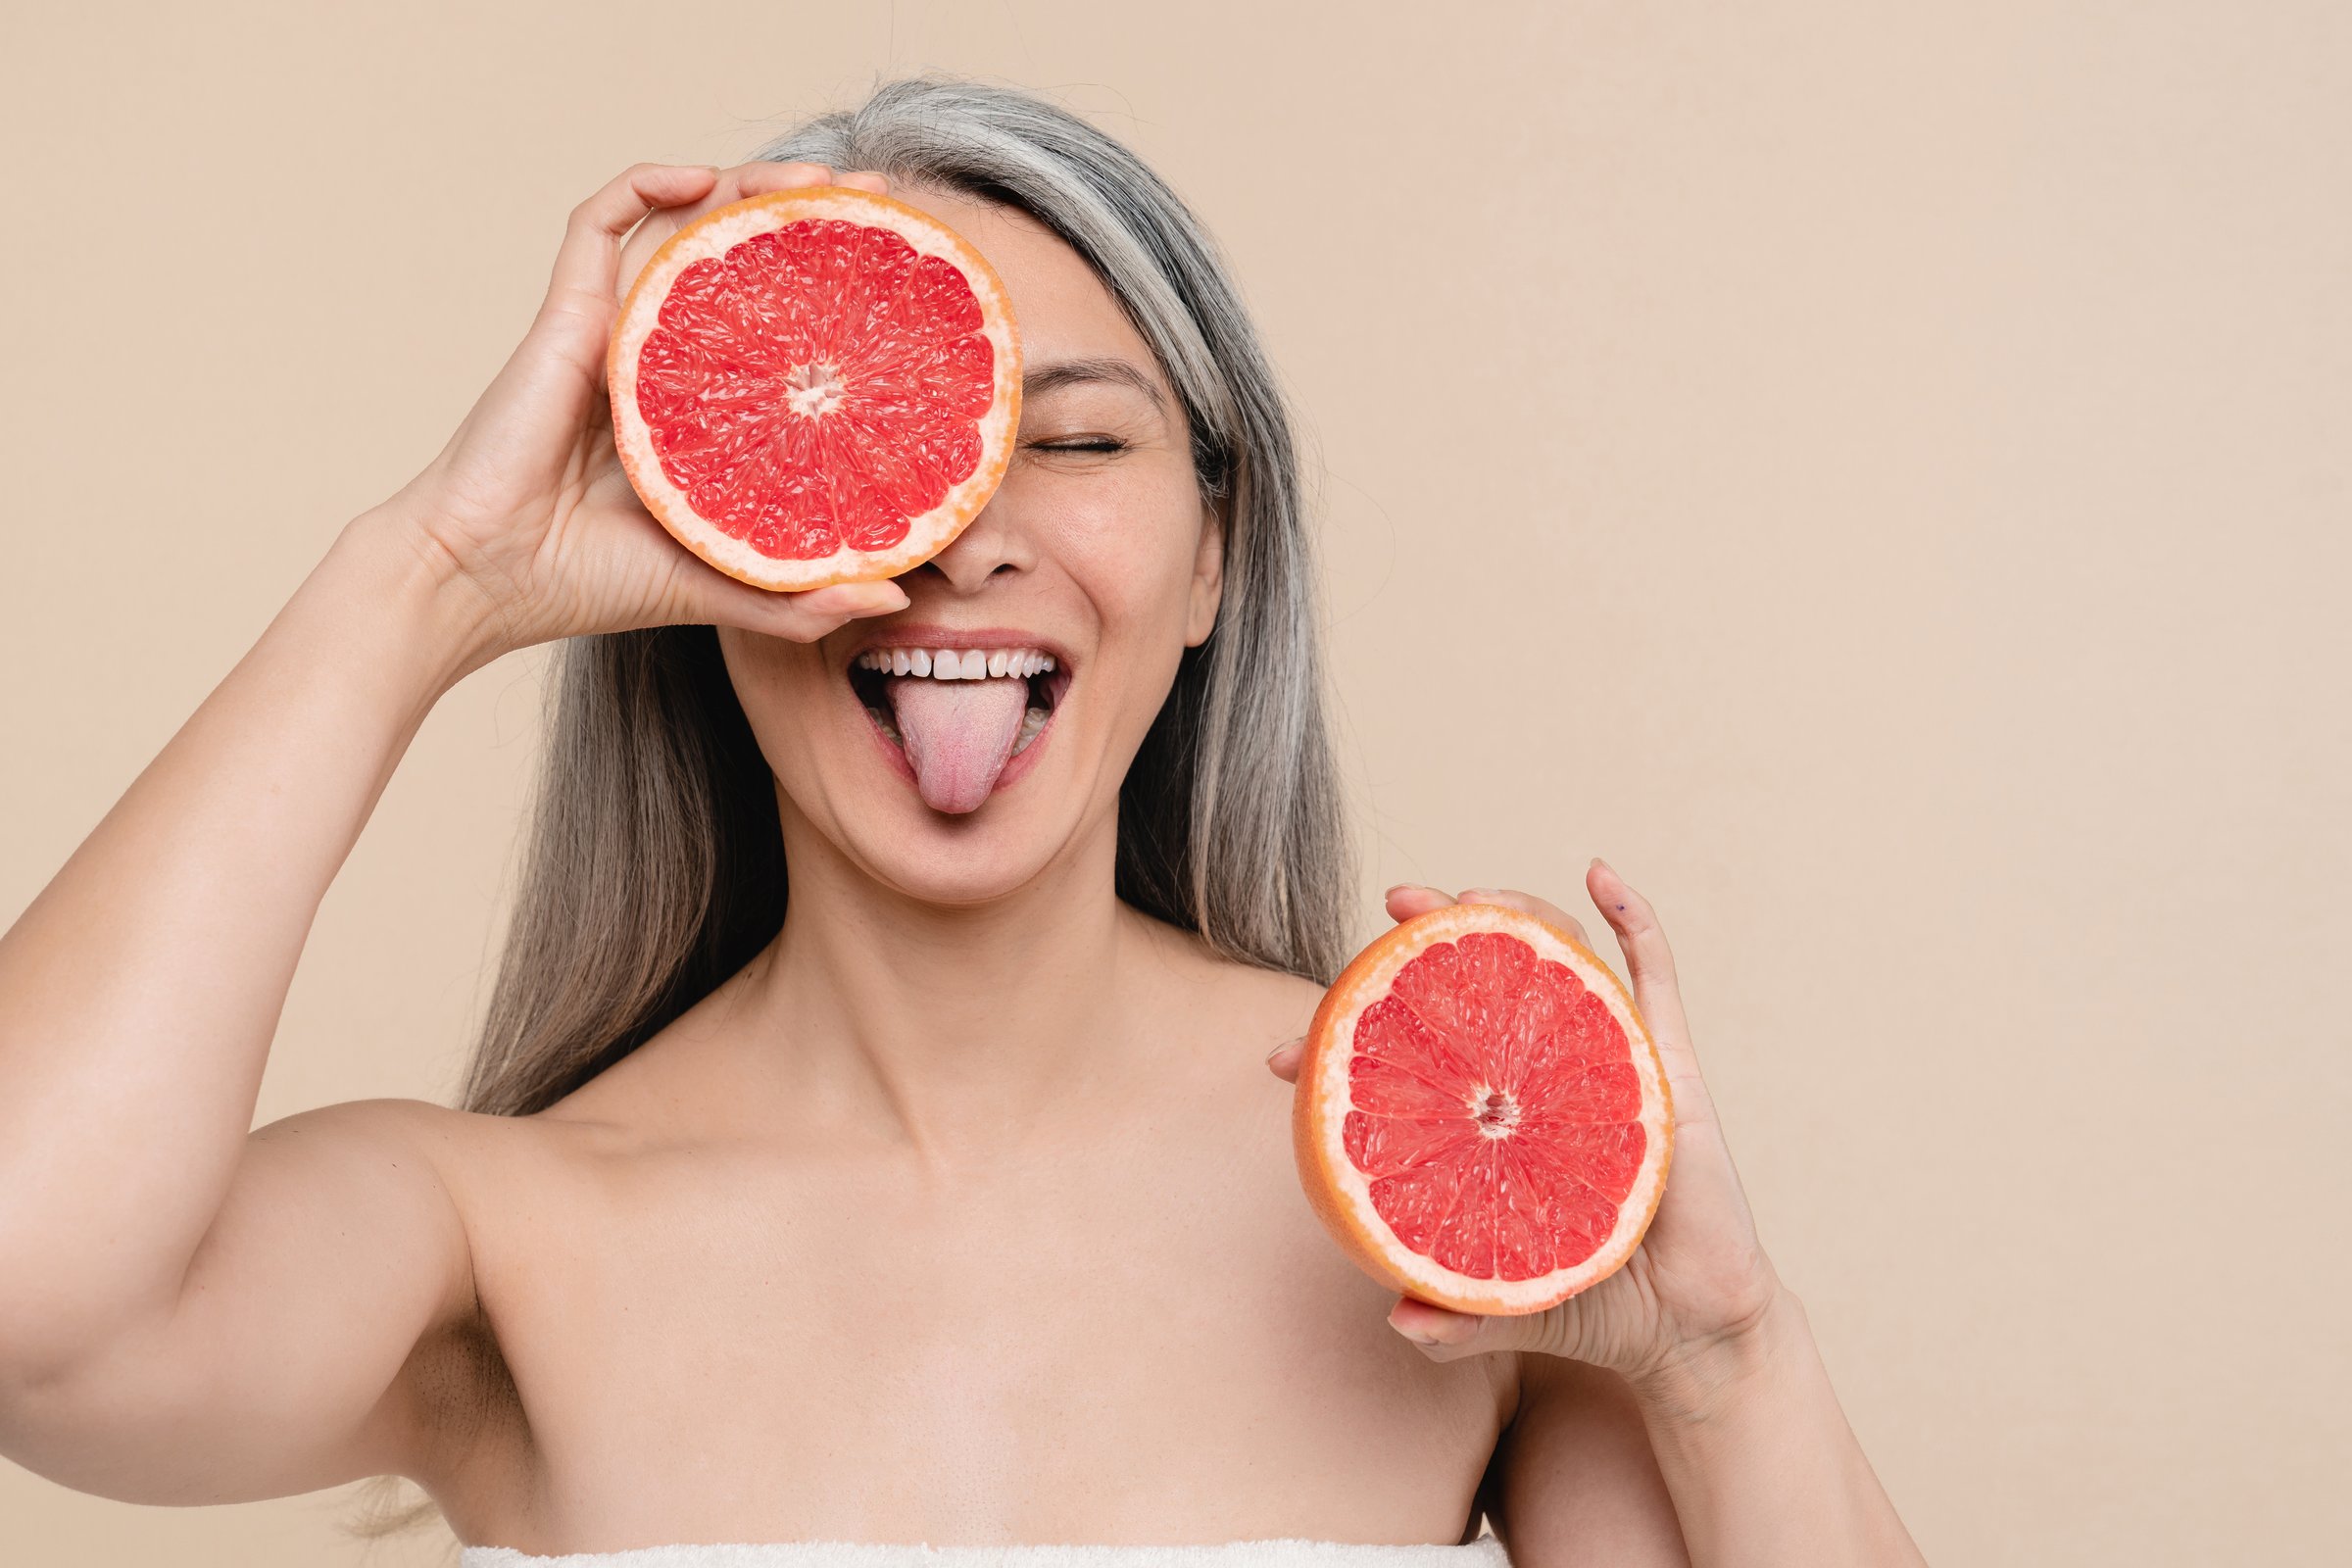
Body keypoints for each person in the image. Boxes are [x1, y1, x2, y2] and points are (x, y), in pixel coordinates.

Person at [0, 76, 1923, 1567]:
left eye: (1078, 442)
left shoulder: (1444, 1239)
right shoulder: (502, 1245)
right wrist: (435, 572)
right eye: (880, 458)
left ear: (1212, 562)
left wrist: (1726, 1362)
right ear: (708, 552)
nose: (966, 538)